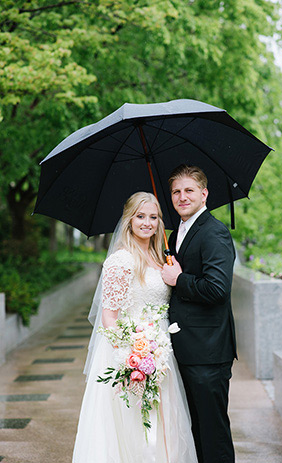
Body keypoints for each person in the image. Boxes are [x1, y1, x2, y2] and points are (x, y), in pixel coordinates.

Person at [72, 191, 198, 463]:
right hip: (132, 353)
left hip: (161, 351)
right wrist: (132, 356)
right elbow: (109, 316)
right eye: (140, 216)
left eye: (153, 217)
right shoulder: (121, 260)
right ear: (129, 219)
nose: (147, 223)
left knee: (164, 418)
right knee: (133, 422)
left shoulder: (160, 257)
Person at [162, 165, 237, 463]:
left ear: (204, 194)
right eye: (176, 192)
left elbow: (218, 288)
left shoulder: (214, 231)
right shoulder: (175, 233)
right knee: (194, 431)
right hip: (185, 349)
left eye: (189, 190)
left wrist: (179, 280)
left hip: (208, 353)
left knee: (213, 433)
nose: (182, 197)